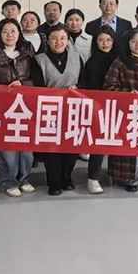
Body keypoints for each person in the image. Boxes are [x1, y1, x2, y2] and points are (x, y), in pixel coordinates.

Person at [0, 18, 36, 198]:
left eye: (13, 31)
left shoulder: (28, 52)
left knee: (27, 152)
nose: (9, 35)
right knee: (8, 152)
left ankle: (23, 179)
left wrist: (23, 84)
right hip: (1, 109)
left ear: (19, 33)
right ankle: (8, 181)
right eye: (5, 31)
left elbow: (37, 79)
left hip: (25, 108)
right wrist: (5, 90)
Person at [104, 28, 138, 192]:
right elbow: (109, 87)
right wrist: (127, 94)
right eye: (133, 42)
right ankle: (129, 178)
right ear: (128, 44)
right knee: (129, 147)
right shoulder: (120, 62)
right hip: (126, 112)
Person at [32, 25, 85, 195]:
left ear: (68, 40)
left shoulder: (77, 57)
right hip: (50, 110)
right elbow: (37, 87)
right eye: (54, 38)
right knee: (52, 148)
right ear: (47, 40)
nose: (58, 42)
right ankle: (54, 182)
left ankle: (66, 177)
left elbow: (84, 81)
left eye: (62, 38)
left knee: (71, 146)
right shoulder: (38, 60)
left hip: (73, 110)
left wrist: (78, 87)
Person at [82, 25, 118, 194]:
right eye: (101, 40)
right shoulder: (91, 61)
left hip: (118, 106)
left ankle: (118, 174)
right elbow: (86, 84)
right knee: (99, 143)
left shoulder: (119, 59)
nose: (105, 43)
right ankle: (93, 178)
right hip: (97, 108)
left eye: (109, 40)